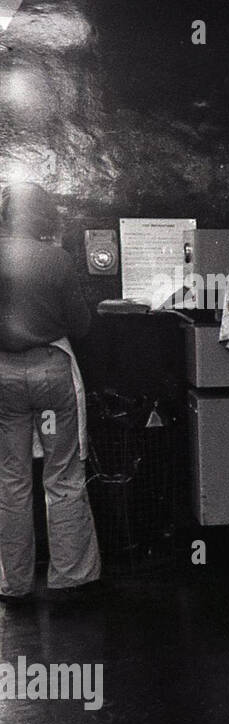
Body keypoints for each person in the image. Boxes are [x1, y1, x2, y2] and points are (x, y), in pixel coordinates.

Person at [0, 182, 102, 605]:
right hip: (52, 371)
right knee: (62, 475)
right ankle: (69, 580)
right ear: (43, 214)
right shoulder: (57, 259)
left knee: (10, 480)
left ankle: (14, 585)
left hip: (3, 375)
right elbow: (81, 326)